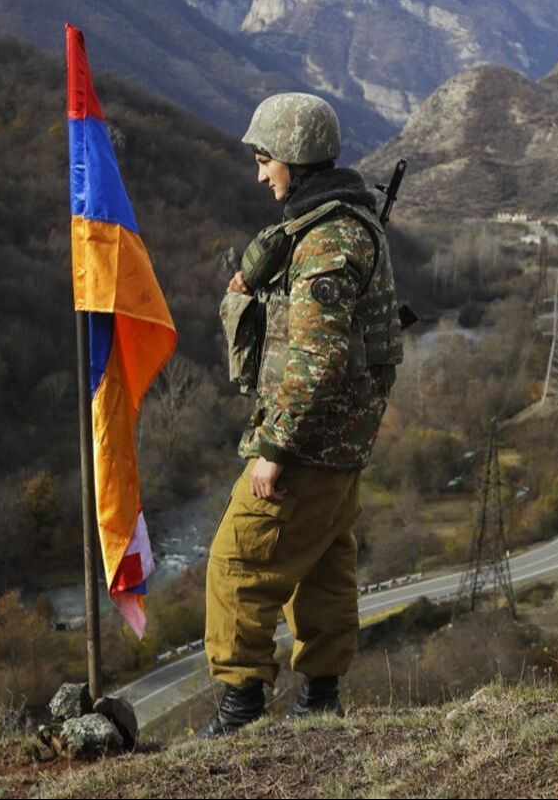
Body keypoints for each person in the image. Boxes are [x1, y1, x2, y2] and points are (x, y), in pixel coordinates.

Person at [199, 92, 403, 737]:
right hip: (336, 445)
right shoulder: (333, 225)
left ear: (294, 158)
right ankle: (320, 701)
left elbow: (317, 356)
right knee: (321, 568)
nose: (261, 174)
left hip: (308, 445)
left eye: (266, 160)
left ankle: (240, 711)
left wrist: (275, 448)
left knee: (238, 565)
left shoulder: (328, 238)